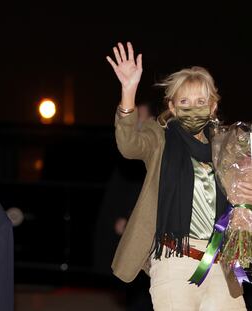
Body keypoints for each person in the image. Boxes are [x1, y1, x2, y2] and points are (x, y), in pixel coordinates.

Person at [106, 41, 251, 310]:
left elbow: (244, 187)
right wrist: (128, 92)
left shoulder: (229, 146)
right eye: (184, 101)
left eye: (200, 101)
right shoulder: (159, 138)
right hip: (174, 263)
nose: (192, 108)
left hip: (221, 266)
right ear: (172, 107)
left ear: (213, 106)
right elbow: (128, 145)